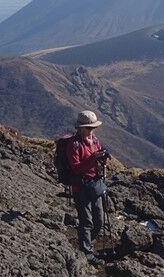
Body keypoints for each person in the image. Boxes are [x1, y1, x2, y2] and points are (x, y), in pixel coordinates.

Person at [66, 110, 109, 265]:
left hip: (95, 185)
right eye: (89, 128)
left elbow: (97, 161)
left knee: (99, 219)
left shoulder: (95, 141)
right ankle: (86, 251)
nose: (92, 131)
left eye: (93, 128)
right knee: (87, 221)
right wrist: (93, 158)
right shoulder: (74, 145)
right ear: (81, 128)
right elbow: (76, 168)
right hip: (81, 187)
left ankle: (87, 245)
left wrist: (103, 158)